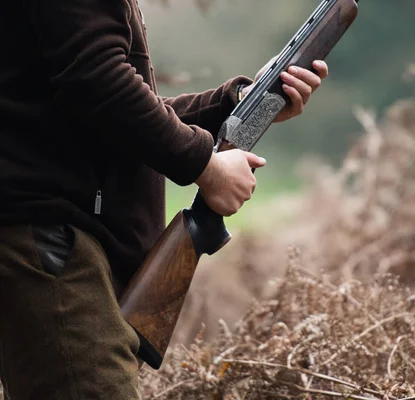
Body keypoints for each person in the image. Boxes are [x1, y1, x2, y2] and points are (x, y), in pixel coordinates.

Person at [0, 0, 328, 399]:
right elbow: (99, 84)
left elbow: (99, 110)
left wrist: (241, 100)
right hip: (47, 242)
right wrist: (205, 165)